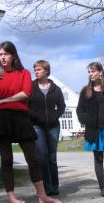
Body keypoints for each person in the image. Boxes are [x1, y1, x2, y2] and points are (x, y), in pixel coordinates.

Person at [0, 41, 62, 203]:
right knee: (7, 160)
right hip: (1, 118)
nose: (3, 57)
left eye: (6, 54)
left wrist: (4, 100)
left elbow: (25, 93)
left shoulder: (24, 73)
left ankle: (42, 196)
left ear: (13, 55)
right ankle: (12, 198)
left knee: (33, 158)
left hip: (20, 117)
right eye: (0, 54)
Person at [76, 62, 104, 197]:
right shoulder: (85, 91)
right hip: (94, 131)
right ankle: (102, 187)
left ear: (100, 72)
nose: (90, 74)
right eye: (89, 72)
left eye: (93, 71)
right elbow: (80, 111)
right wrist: (87, 121)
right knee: (98, 159)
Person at [29, 60, 66, 196]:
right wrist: (37, 118)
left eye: (38, 69)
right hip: (37, 126)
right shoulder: (31, 87)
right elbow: (26, 106)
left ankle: (55, 187)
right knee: (42, 157)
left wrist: (54, 117)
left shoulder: (55, 89)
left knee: (52, 158)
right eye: (35, 69)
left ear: (46, 71)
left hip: (53, 127)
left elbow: (62, 107)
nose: (36, 72)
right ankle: (46, 188)